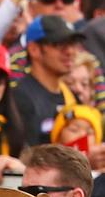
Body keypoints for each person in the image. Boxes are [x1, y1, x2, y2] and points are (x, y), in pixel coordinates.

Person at [13, 15, 83, 146]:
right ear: (34, 49)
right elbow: (27, 157)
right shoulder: (21, 97)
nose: (70, 51)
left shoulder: (70, 95)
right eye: (59, 44)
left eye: (73, 43)